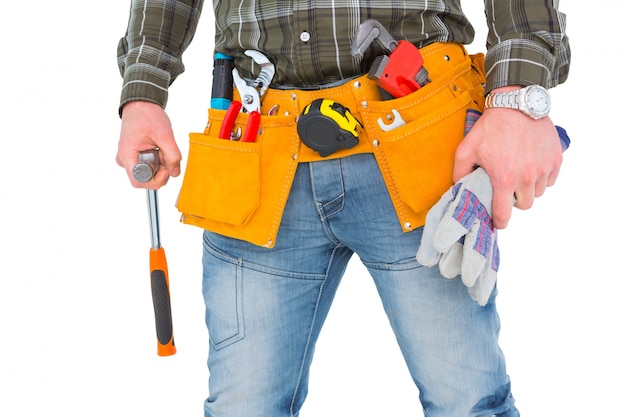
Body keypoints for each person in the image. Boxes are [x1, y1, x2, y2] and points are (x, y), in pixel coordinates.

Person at [116, 1, 570, 416]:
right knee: (242, 408)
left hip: (419, 133)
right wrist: (143, 92)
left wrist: (518, 95)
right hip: (256, 147)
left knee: (468, 403)